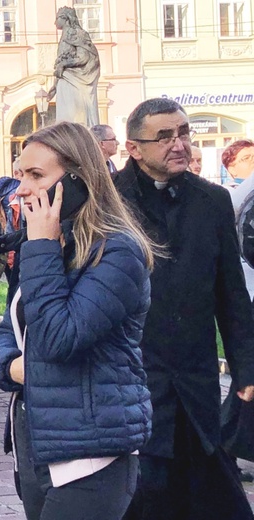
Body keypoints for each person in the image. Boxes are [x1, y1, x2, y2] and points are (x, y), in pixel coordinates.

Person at [0, 122, 154, 520]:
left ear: (78, 182)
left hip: (90, 452)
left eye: (36, 176)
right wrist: (11, 367)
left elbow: (59, 337)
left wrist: (41, 247)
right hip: (36, 442)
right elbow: (7, 331)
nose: (22, 188)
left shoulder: (117, 254)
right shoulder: (48, 244)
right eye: (20, 173)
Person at [114, 98, 254, 520]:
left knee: (210, 493)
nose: (179, 145)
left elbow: (231, 291)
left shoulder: (211, 200)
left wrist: (246, 367)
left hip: (195, 378)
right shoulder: (107, 200)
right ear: (133, 147)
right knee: (145, 495)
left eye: (183, 133)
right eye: (164, 136)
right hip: (134, 376)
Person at [48, 7, 100, 126]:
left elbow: (84, 57)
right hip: (65, 80)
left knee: (75, 118)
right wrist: (55, 86)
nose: (55, 22)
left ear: (65, 18)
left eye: (57, 18)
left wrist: (64, 64)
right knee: (65, 119)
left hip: (76, 82)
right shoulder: (64, 36)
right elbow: (61, 61)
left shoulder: (78, 34)